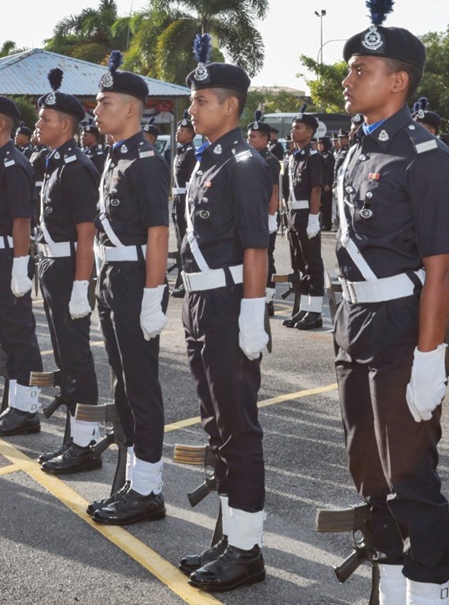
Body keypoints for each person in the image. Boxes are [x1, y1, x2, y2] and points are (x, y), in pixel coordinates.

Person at [333, 0, 449, 605]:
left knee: (410, 474)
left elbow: (441, 268)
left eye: (361, 70)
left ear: (399, 81)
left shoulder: (425, 156)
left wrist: (430, 357)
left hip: (402, 326)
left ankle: (428, 592)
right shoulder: (358, 148)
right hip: (354, 320)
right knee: (368, 468)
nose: (348, 80)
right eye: (350, 69)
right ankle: (389, 587)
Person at [176, 33, 272, 592]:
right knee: (217, 425)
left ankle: (247, 550)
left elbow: (257, 247)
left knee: (238, 426)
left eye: (200, 100)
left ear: (230, 105)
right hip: (200, 303)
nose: (192, 109)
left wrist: (253, 315)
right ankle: (229, 534)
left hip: (230, 304)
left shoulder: (244, 162)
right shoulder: (207, 159)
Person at [78, 50, 171, 524]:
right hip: (113, 278)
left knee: (140, 386)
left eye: (105, 102)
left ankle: (149, 488)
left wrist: (154, 295)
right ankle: (135, 480)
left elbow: (159, 233)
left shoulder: (147, 161)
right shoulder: (115, 156)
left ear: (131, 109)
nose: (96, 110)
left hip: (136, 280)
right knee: (122, 383)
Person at [34, 68, 103, 474]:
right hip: (52, 266)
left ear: (64, 125)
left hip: (68, 268)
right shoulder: (55, 163)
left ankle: (86, 443)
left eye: (45, 119)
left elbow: (85, 232)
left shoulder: (76, 166)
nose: (38, 124)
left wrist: (81, 286)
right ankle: (74, 438)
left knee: (77, 360)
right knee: (65, 358)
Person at [0, 81, 47, 433]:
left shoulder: (14, 164)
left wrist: (20, 265)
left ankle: (27, 409)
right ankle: (15, 404)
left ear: (1, 124)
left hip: (7, 257)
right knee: (7, 333)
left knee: (19, 335)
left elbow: (21, 219)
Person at [281, 105, 326, 330]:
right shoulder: (293, 157)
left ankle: (315, 311)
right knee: (298, 263)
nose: (293, 131)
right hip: (293, 215)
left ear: (309, 132)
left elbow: (316, 189)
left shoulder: (313, 157)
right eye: (293, 127)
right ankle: (304, 308)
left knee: (312, 263)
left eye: (298, 127)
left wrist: (313, 218)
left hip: (306, 214)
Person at [247, 111, 282, 316]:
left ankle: (268, 299)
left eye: (253, 136)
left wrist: (271, 216)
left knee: (266, 256)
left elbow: (274, 191)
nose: (249, 139)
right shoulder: (250, 158)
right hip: (252, 214)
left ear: (265, 139)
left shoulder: (270, 160)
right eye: (248, 136)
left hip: (264, 215)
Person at [170, 118, 197, 298]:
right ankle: (182, 279)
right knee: (180, 240)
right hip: (177, 199)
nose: (178, 133)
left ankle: (186, 280)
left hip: (184, 199)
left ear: (191, 134)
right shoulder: (181, 152)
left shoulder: (191, 154)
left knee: (185, 242)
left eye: (182, 130)